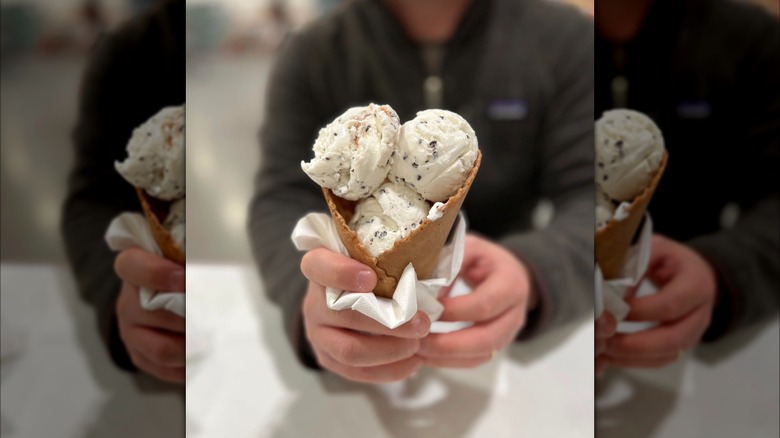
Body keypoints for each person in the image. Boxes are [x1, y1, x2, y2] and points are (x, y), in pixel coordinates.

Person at [250, 0, 595, 382]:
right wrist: (310, 299)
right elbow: (279, 199)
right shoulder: (310, 54)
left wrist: (536, 271)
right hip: (357, 344)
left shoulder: (565, 39)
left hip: (515, 352)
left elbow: (591, 195)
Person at [594, 0, 779, 374]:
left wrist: (721, 269)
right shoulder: (553, 42)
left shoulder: (751, 40)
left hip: (705, 334)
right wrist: (544, 267)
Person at [62, 0, 186, 383]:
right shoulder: (129, 52)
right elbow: (93, 199)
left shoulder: (308, 54)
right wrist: (119, 293)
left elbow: (282, 194)